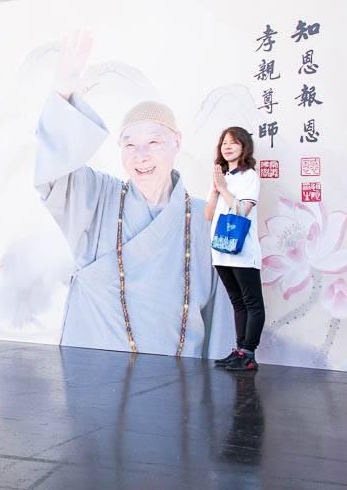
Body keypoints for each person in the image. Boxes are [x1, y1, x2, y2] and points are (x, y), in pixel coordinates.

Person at [35, 31, 220, 356]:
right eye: (130, 144)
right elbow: (53, 174)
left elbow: (222, 323)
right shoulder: (98, 198)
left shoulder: (206, 220)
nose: (141, 156)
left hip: (177, 380)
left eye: (154, 142)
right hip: (95, 373)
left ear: (177, 142)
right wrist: (62, 92)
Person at [205, 128, 264, 372]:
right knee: (237, 302)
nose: (227, 147)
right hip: (220, 250)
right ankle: (240, 352)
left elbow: (242, 211)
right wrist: (216, 188)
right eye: (224, 143)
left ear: (244, 147)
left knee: (252, 303)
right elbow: (209, 214)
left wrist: (223, 188)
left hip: (242, 251)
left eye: (233, 142)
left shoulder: (249, 176)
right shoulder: (222, 177)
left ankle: (249, 353)